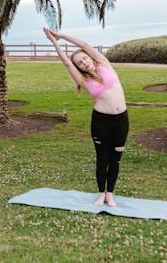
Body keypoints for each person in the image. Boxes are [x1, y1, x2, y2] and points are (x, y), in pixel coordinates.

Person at [43, 27, 129, 207]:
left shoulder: (104, 63)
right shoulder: (83, 80)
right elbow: (67, 63)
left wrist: (62, 36)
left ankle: (110, 195)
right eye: (80, 63)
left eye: (84, 58)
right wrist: (54, 43)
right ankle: (100, 194)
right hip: (101, 122)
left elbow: (83, 45)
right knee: (102, 159)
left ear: (90, 57)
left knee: (115, 159)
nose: (83, 62)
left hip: (121, 121)